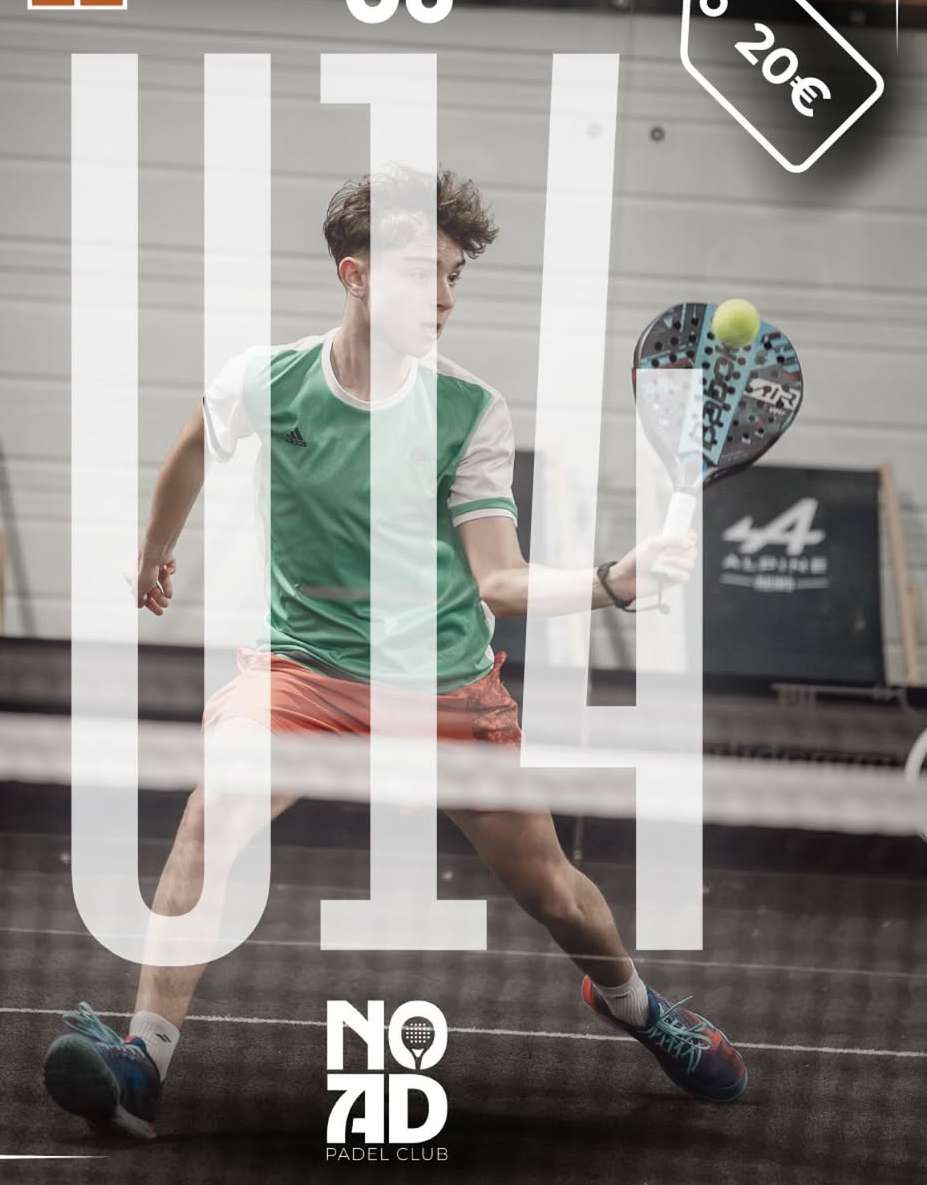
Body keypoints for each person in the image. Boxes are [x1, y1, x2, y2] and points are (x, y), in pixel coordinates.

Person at [43, 169, 746, 1141]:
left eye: (455, 275)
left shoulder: (469, 412)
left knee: (552, 889)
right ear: (357, 275)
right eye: (425, 274)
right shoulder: (269, 381)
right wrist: (156, 547)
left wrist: (612, 579)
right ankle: (141, 1062)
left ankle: (634, 1004)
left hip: (443, 688)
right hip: (303, 672)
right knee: (213, 809)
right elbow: (197, 445)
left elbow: (498, 578)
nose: (446, 296)